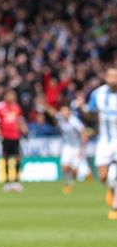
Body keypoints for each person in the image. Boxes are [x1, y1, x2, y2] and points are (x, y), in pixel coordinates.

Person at [78, 67, 117, 219]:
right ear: (106, 77)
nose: (113, 79)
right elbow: (91, 114)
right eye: (111, 76)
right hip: (104, 141)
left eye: (116, 76)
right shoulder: (98, 94)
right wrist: (82, 108)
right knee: (103, 177)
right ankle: (112, 189)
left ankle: (115, 207)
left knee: (115, 176)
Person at [41, 102, 86, 194]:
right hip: (67, 146)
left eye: (66, 111)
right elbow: (52, 112)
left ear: (69, 112)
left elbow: (84, 133)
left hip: (76, 147)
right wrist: (44, 105)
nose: (64, 113)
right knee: (64, 167)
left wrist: (82, 148)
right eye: (62, 111)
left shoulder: (74, 122)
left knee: (74, 169)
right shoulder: (60, 118)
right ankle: (68, 183)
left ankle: (72, 182)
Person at [0, 90, 27, 192]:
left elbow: (20, 121)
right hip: (5, 136)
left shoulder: (16, 107)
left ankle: (15, 181)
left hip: (15, 136)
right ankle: (7, 182)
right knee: (6, 158)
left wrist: (24, 131)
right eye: (11, 95)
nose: (13, 97)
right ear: (6, 96)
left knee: (17, 158)